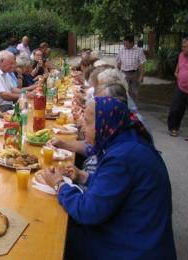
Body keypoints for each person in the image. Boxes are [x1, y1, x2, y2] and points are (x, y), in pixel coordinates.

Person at [43, 96, 176, 259]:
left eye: (87, 121)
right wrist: (84, 177)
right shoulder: (126, 140)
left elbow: (89, 211)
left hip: (134, 247)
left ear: (104, 125)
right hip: (139, 232)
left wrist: (59, 185)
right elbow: (117, 188)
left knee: (57, 232)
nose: (82, 126)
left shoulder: (122, 157)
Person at [168, 37, 188, 139]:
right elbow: (176, 70)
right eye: (182, 46)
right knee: (175, 109)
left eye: (185, 47)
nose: (182, 48)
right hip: (180, 87)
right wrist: (178, 75)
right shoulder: (181, 55)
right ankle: (173, 128)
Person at [116, 35, 146, 101]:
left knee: (134, 91)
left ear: (132, 43)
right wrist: (117, 74)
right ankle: (124, 105)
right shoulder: (121, 51)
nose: (124, 44)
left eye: (126, 43)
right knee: (123, 90)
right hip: (124, 73)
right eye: (124, 43)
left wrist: (141, 76)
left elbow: (142, 64)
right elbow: (118, 63)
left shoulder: (139, 51)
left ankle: (133, 107)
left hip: (135, 73)